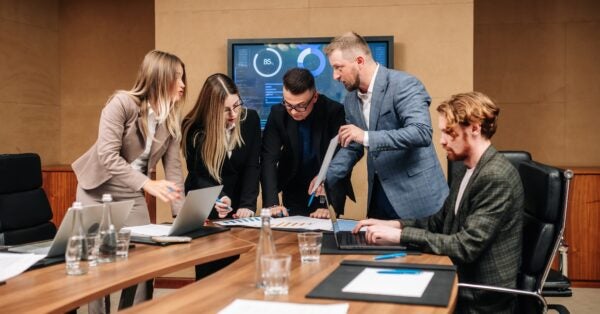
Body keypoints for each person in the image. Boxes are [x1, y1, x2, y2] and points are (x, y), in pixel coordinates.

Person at [354, 92, 524, 313]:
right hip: (461, 276)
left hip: (482, 295)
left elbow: (464, 247)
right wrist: (394, 225)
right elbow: (439, 222)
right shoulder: (467, 168)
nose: (442, 141)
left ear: (475, 128)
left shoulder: (496, 177)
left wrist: (400, 237)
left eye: (449, 133)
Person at [72, 50, 186, 312]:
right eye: (177, 78)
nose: (182, 85)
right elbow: (107, 155)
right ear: (159, 77)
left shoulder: (170, 118)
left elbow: (174, 170)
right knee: (98, 266)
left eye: (183, 78)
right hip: (97, 190)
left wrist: (182, 218)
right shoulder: (122, 103)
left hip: (133, 194)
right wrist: (147, 184)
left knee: (143, 263)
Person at [319, 32, 448, 220]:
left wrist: (365, 136)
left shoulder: (404, 84)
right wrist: (327, 176)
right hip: (378, 198)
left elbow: (421, 132)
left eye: (339, 68)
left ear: (360, 61)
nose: (335, 76)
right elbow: (353, 145)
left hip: (417, 199)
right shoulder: (350, 100)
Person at [261, 68, 354, 218]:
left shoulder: (334, 112)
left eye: (301, 106)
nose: (294, 112)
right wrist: (272, 203)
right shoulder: (278, 113)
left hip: (325, 186)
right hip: (292, 184)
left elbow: (340, 158)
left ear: (315, 97)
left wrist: (327, 204)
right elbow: (268, 159)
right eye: (288, 104)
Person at [182, 73, 260, 219]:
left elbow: (252, 166)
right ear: (211, 109)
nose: (234, 114)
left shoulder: (250, 120)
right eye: (225, 110)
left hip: (238, 207)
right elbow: (198, 175)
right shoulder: (193, 127)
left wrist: (247, 204)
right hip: (204, 203)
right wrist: (220, 197)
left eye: (236, 105)